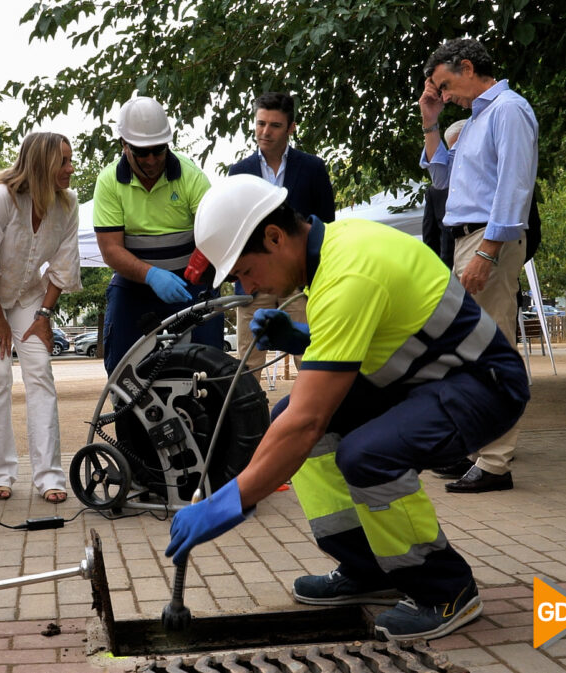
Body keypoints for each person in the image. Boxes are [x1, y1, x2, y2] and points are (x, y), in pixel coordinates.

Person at [164, 175, 529, 640]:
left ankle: (446, 590)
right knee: (293, 422)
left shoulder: (347, 271)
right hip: (427, 381)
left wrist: (229, 501)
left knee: (365, 454)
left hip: (483, 386)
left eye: (244, 271)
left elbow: (307, 421)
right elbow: (371, 346)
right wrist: (301, 339)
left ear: (275, 237)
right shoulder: (331, 256)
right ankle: (370, 568)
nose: (248, 286)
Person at [419, 38, 538, 493]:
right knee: (469, 349)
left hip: (488, 241)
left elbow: (514, 186)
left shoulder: (508, 109)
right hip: (467, 239)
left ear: (467, 67)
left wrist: (487, 253)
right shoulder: (474, 122)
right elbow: (441, 178)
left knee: (492, 348)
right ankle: (477, 450)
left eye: (446, 85)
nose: (445, 95)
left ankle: (494, 462)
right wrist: (432, 122)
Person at [0, 132, 81, 503]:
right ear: (42, 165)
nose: (71, 169)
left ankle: (49, 476)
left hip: (27, 293)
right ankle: (0, 472)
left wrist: (43, 315)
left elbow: (62, 267)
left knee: (40, 370)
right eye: (64, 162)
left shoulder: (67, 204)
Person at [93, 96, 221, 374]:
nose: (151, 160)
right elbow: (111, 250)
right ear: (124, 146)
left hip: (192, 282)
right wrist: (151, 275)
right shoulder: (109, 182)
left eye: (159, 150)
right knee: (122, 366)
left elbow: (215, 234)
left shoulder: (191, 177)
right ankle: (128, 412)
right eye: (142, 151)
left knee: (210, 364)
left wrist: (202, 270)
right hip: (135, 284)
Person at [228, 92, 335, 372]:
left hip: (300, 282)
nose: (265, 131)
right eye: (260, 123)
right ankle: (246, 417)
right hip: (253, 284)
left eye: (274, 125)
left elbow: (326, 225)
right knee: (246, 367)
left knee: (313, 357)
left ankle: (320, 414)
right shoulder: (238, 172)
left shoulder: (312, 168)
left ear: (291, 127)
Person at [420, 119, 466, 268]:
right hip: (452, 274)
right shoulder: (436, 192)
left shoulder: (498, 178)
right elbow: (430, 241)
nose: (456, 156)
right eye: (452, 152)